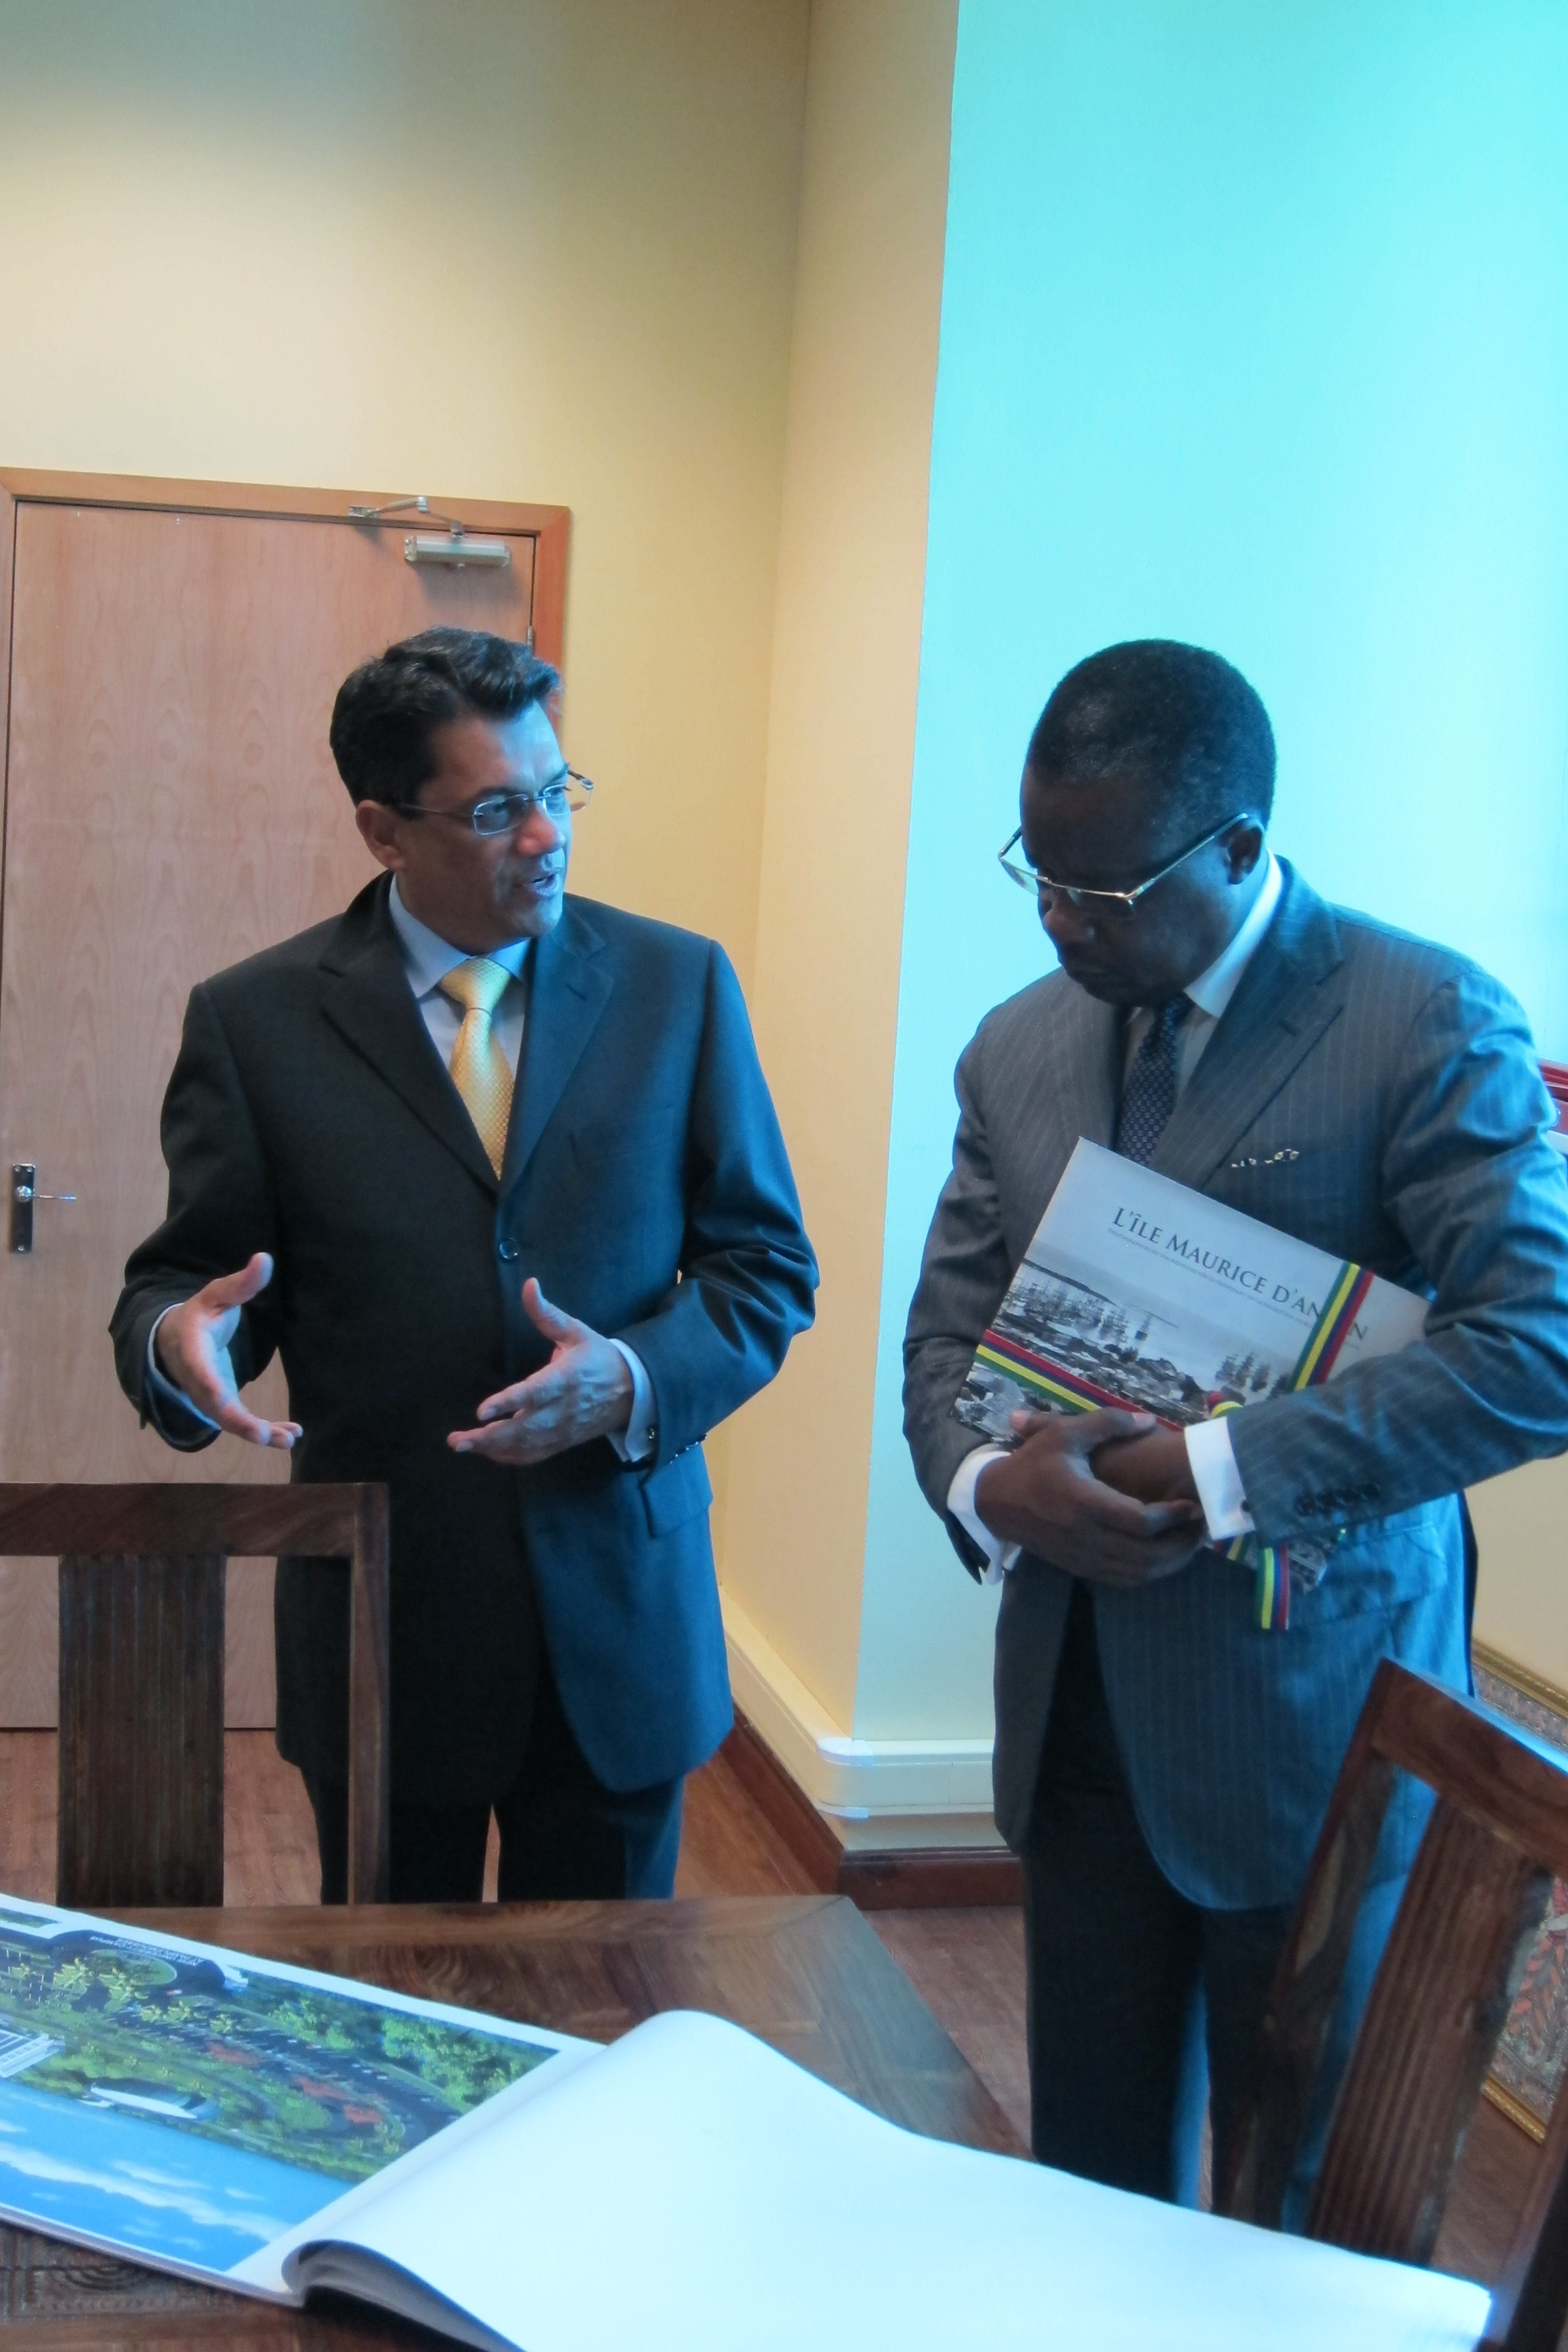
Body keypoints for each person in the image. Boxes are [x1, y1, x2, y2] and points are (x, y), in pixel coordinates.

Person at [903, 639, 1568, 2216]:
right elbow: (944, 1334)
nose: (1062, 921)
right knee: (1087, 2182)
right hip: (1074, 1703)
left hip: (1307, 1712)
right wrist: (989, 1484)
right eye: (1036, 876)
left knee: (1297, 2202)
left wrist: (1212, 1473)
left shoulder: (1422, 1019)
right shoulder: (1016, 1043)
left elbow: (1535, 1346)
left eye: (1103, 892)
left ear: (1238, 847)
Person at [112, 627, 816, 1904]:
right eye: (496, 812)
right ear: (383, 831)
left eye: (558, 792)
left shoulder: (676, 986)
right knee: (392, 2008)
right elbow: (191, 1279)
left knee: (605, 2008)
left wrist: (633, 1380)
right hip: (386, 1625)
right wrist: (179, 1340)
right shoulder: (257, 1021)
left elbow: (764, 1264)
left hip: (618, 1609)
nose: (546, 838)